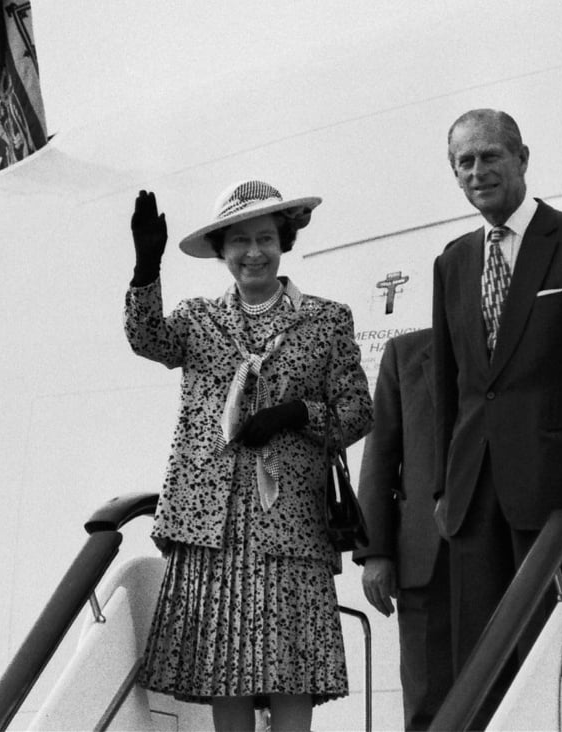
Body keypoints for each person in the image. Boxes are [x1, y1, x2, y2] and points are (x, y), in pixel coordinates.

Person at [124, 179, 373, 732]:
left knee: (291, 672)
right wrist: (146, 268)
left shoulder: (327, 320)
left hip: (289, 523)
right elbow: (147, 340)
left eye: (265, 238)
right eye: (238, 242)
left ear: (284, 241)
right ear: (222, 252)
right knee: (223, 673)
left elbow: (357, 411)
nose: (253, 252)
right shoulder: (199, 320)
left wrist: (297, 414)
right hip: (212, 524)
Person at [431, 109, 562, 688]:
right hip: (473, 496)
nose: (477, 171)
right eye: (464, 162)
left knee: (553, 652)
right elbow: (454, 386)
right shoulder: (452, 261)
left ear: (523, 158)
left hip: (555, 484)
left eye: (490, 156)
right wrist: (441, 487)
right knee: (480, 665)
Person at [354, 328, 452, 731]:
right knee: (426, 699)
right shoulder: (405, 353)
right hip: (424, 558)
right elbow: (381, 454)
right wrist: (375, 552)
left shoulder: (520, 343)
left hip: (500, 551)